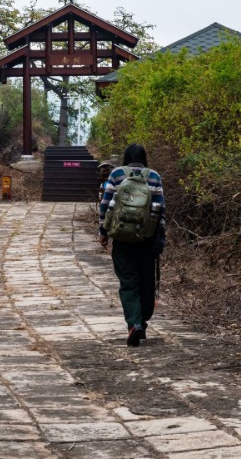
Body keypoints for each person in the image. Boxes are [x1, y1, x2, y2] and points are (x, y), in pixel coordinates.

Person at [99, 143, 166, 347]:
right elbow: (161, 209)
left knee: (128, 282)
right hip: (147, 239)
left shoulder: (117, 174)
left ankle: (134, 324)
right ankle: (141, 322)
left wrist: (103, 232)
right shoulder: (154, 176)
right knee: (146, 282)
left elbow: (106, 204)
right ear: (144, 158)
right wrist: (160, 237)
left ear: (126, 157)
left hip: (122, 238)